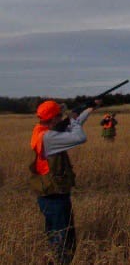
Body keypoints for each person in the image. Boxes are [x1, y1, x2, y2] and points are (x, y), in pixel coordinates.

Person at [29, 99, 100, 265]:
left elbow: (70, 126)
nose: (62, 117)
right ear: (53, 119)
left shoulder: (42, 130)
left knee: (57, 237)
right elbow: (79, 136)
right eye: (59, 115)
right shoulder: (49, 138)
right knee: (63, 240)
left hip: (49, 194)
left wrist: (88, 110)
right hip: (54, 196)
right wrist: (74, 120)